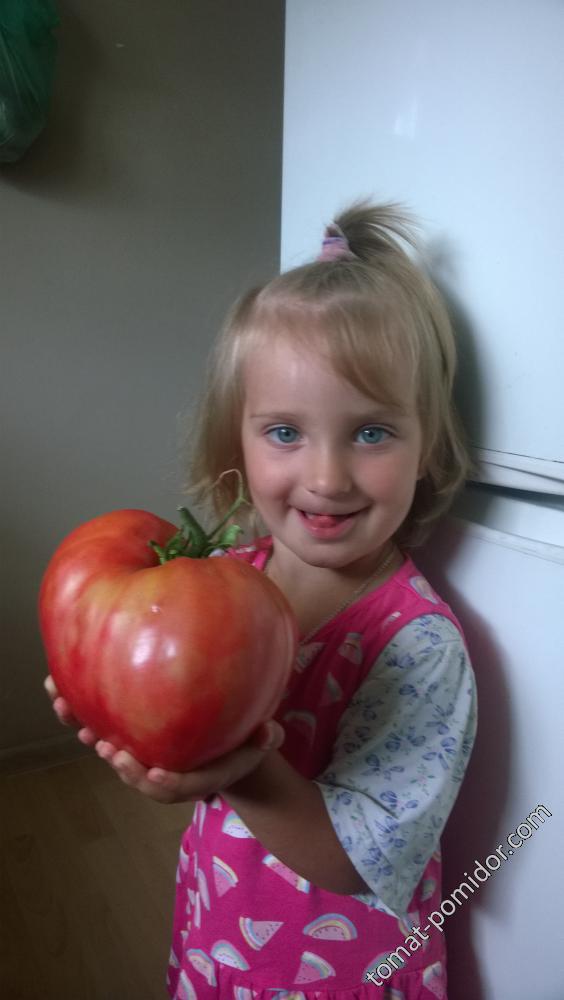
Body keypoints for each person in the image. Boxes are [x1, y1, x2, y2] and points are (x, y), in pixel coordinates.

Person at [46, 198, 478, 998]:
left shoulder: (419, 646)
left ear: (427, 447)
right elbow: (168, 718)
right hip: (220, 936)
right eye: (285, 432)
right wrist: (112, 697)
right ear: (237, 442)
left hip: (342, 974)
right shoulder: (222, 578)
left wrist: (237, 767)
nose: (327, 477)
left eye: (372, 432)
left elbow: (357, 863)